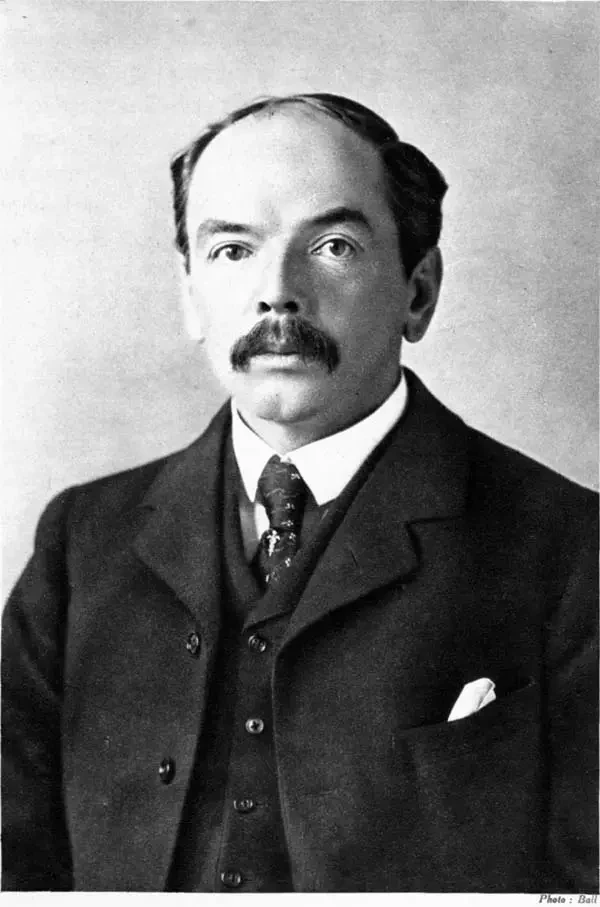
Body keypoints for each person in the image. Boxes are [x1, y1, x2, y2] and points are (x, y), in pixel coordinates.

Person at [2, 93, 597, 894]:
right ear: (189, 293)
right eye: (232, 250)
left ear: (419, 290)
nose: (277, 292)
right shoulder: (82, 542)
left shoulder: (568, 547)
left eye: (333, 246)